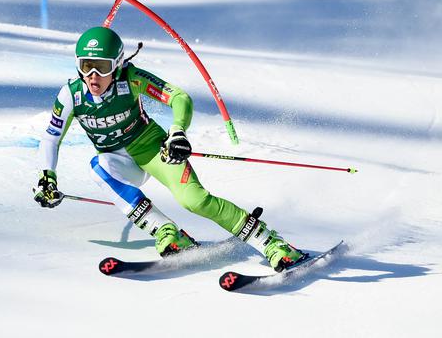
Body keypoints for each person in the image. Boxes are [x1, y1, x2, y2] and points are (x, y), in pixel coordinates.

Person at [34, 27, 307, 271]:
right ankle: (166, 230)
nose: (93, 76)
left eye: (102, 67)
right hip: (118, 161)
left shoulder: (130, 79)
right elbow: (51, 137)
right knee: (98, 168)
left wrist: (177, 131)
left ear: (116, 65)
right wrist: (47, 176)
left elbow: (179, 97)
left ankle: (273, 244)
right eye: (86, 66)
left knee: (195, 201)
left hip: (154, 149)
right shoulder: (71, 95)